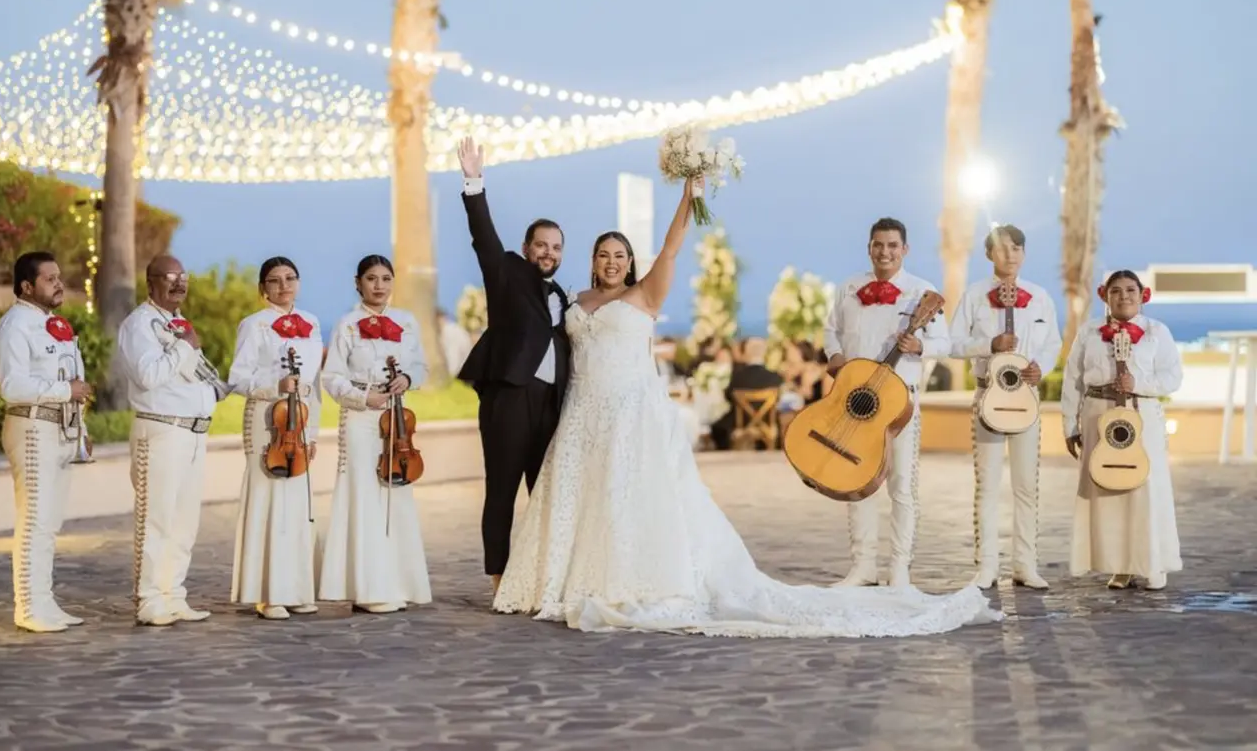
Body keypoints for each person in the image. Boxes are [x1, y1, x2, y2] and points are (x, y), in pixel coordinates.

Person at [491, 180, 999, 637]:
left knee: (626, 499)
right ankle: (563, 580)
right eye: (604, 254)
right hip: (582, 413)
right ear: (592, 259)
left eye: (620, 255)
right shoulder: (573, 300)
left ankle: (628, 579)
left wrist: (688, 198)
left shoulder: (645, 294)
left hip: (629, 414)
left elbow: (671, 248)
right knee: (581, 498)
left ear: (630, 262)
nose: (611, 262)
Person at [456, 137, 571, 597]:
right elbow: (483, 235)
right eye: (541, 245)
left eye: (556, 247)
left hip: (551, 404)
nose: (548, 252)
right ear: (526, 248)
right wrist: (474, 183)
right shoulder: (506, 272)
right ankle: (500, 578)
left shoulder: (564, 296)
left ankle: (543, 575)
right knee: (501, 490)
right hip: (508, 398)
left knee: (544, 496)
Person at [823, 218, 951, 589]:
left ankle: (899, 570)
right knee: (856, 480)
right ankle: (862, 567)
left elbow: (946, 343)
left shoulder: (921, 291)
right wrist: (834, 355)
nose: (885, 252)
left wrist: (921, 346)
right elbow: (831, 329)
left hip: (900, 405)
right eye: (878, 245)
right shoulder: (848, 287)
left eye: (893, 245)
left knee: (901, 486)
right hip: (855, 402)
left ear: (905, 250)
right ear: (869, 247)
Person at [949, 225, 1061, 590]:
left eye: (1016, 249)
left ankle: (1025, 565)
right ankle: (986, 567)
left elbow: (1053, 343)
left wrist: (1039, 366)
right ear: (988, 255)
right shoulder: (974, 295)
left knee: (1027, 486)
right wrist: (989, 344)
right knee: (987, 486)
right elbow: (952, 344)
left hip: (1025, 399)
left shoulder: (1041, 297)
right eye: (1001, 249)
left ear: (1024, 253)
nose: (1009, 255)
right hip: (988, 397)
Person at [318, 255, 431, 613]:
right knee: (364, 497)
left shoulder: (407, 322)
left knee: (396, 498)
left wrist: (408, 379)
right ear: (358, 283)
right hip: (360, 417)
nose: (379, 286)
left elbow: (420, 366)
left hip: (397, 421)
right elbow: (331, 377)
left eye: (385, 278)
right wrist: (364, 397)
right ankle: (369, 588)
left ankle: (398, 582)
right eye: (371, 278)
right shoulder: (347, 325)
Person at [117, 254, 225, 626]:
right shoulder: (139, 325)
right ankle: (148, 599)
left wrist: (216, 394)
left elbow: (191, 379)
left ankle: (173, 595)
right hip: (160, 430)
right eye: (170, 277)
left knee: (184, 521)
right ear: (151, 284)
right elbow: (149, 375)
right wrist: (185, 346)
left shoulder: (177, 323)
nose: (179, 283)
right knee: (156, 519)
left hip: (191, 432)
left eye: (184, 277)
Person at [0, 252, 93, 632]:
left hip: (60, 430)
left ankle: (45, 603)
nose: (59, 283)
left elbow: (72, 382)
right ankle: (28, 607)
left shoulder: (54, 325)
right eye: (49, 278)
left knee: (49, 523)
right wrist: (66, 390)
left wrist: (81, 429)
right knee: (34, 520)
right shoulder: (15, 326)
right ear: (26, 287)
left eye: (59, 276)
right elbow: (11, 387)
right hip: (31, 429)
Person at [1062, 270, 1182, 590]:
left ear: (1143, 295)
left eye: (1131, 290)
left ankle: (1153, 564)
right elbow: (1072, 380)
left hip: (1141, 416)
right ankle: (1121, 566)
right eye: (1116, 290)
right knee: (1109, 490)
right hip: (1097, 415)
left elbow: (1173, 377)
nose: (1124, 296)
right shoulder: (1088, 332)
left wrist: (1137, 383)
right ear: (1105, 296)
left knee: (1146, 488)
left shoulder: (1158, 332)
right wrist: (1070, 425)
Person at [227, 257, 324, 620]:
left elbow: (313, 384)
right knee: (267, 499)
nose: (283, 286)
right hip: (266, 420)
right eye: (274, 280)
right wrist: (275, 387)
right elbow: (237, 378)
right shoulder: (254, 326)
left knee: (297, 505)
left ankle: (296, 589)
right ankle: (266, 593)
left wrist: (311, 433)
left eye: (289, 278)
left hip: (299, 423)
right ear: (262, 288)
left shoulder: (312, 324)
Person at [710, 336, 784, 450]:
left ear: (746, 352)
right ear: (764, 353)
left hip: (741, 422)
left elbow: (729, 397)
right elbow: (779, 399)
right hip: (767, 422)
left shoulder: (738, 376)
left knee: (716, 428)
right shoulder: (775, 377)